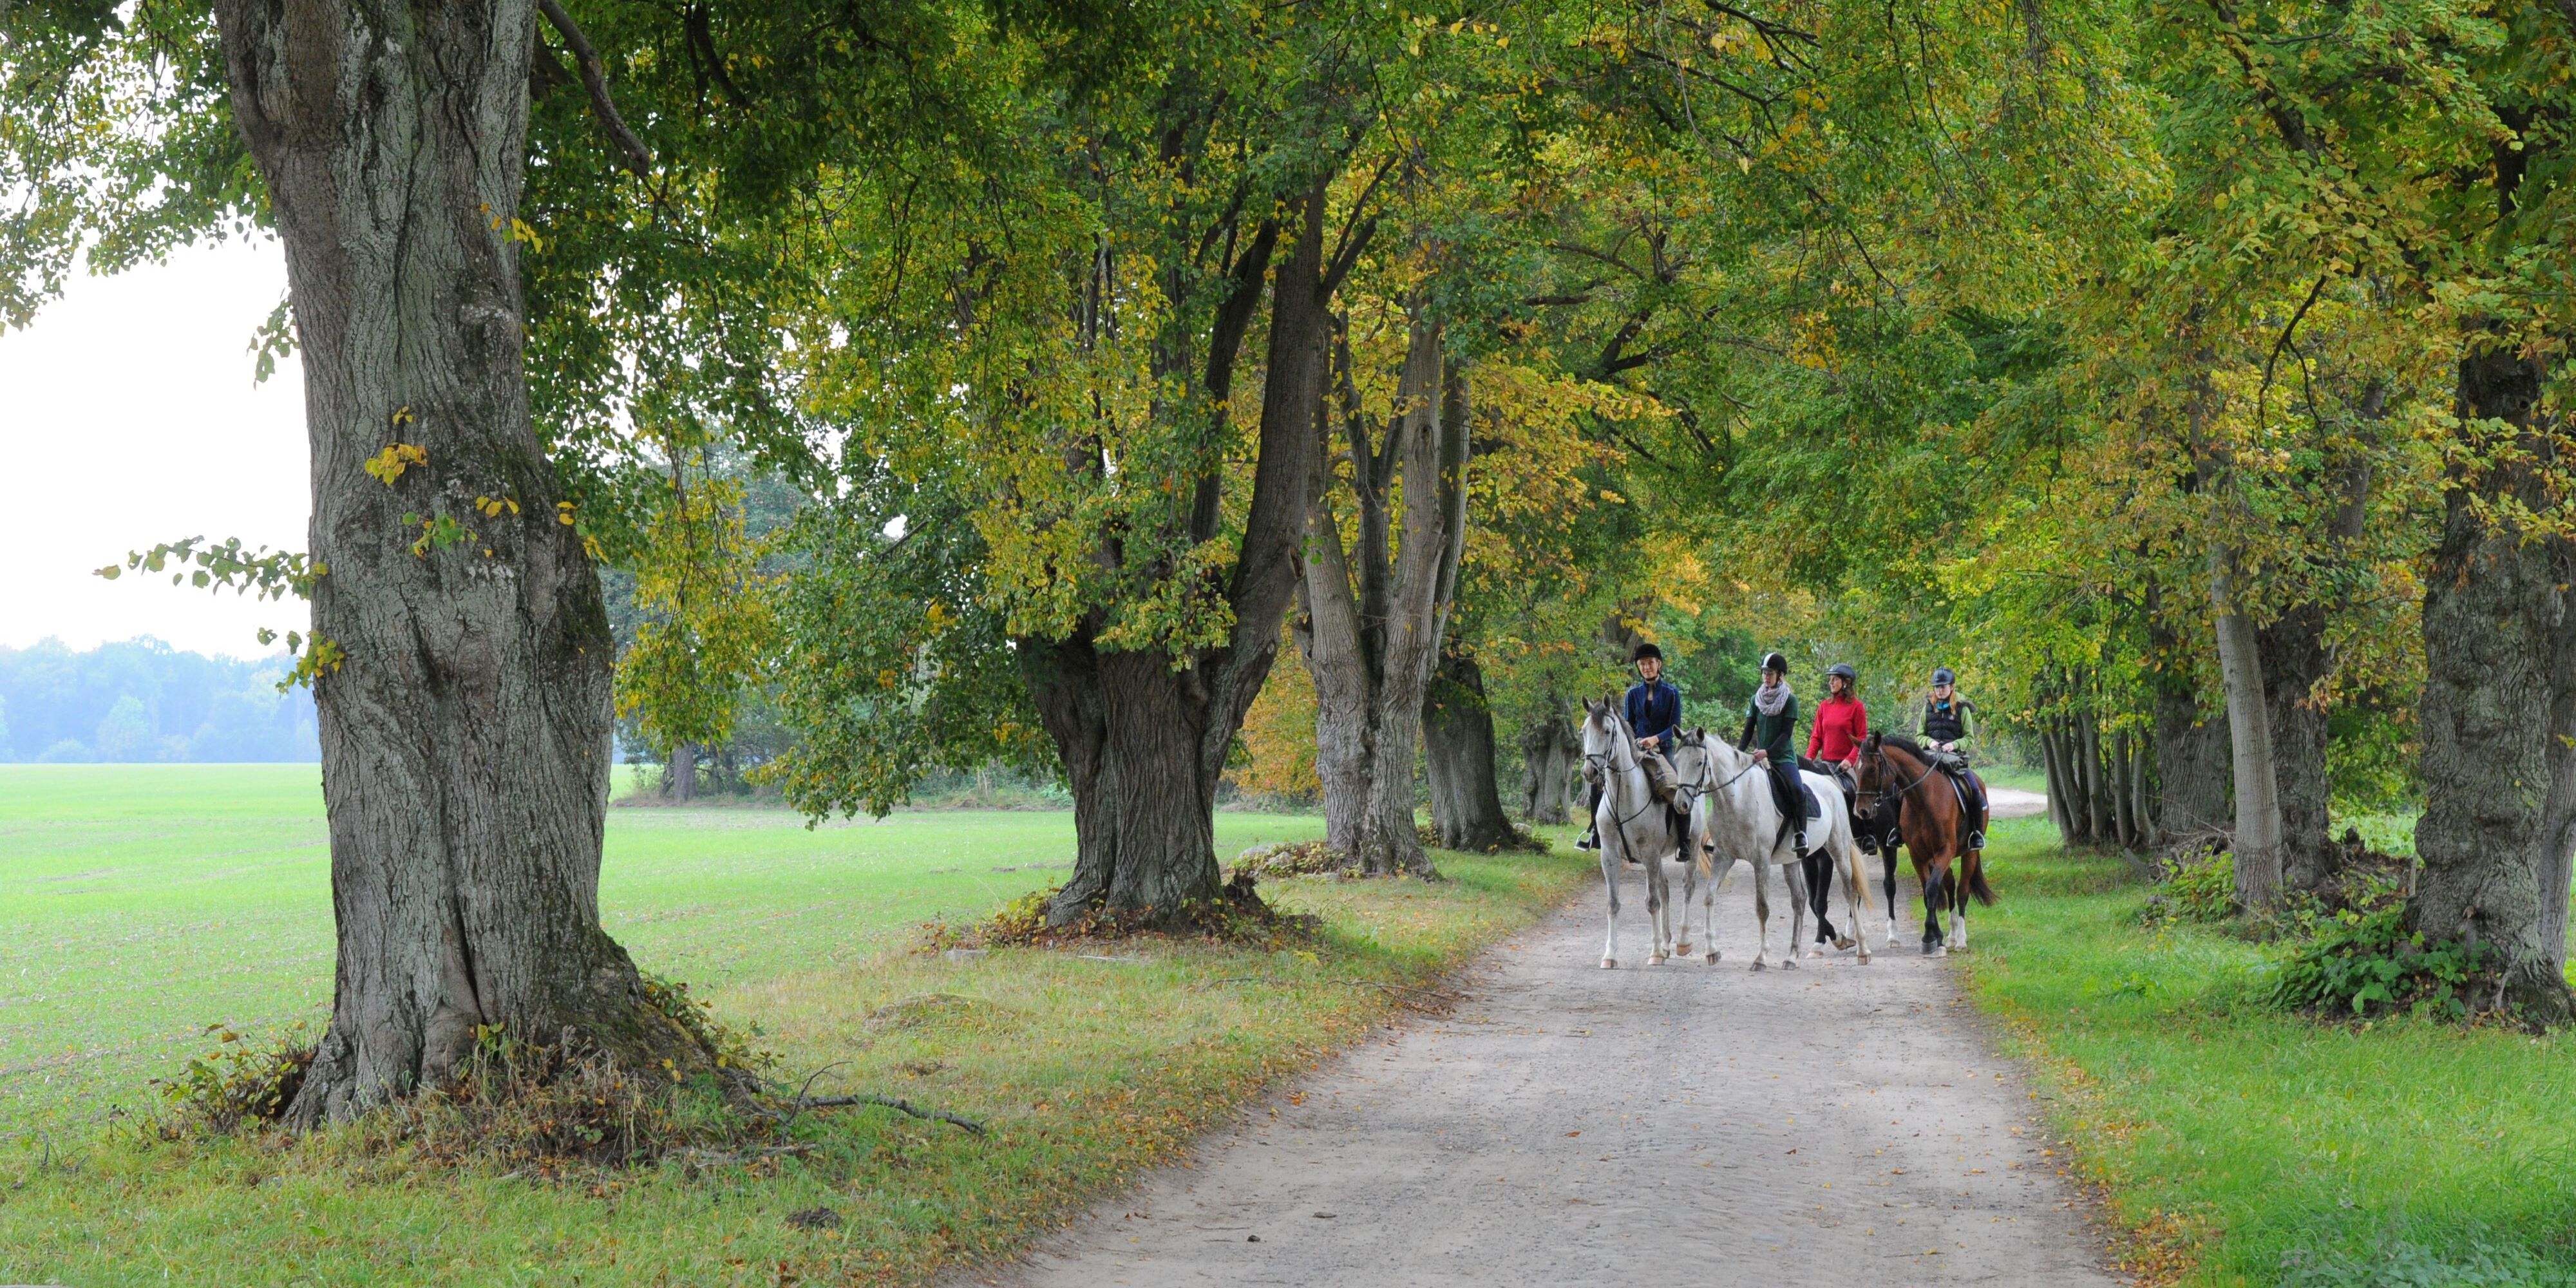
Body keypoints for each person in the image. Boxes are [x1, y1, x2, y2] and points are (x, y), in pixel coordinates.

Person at [1577, 643, 1685, 851]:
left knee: (1679, 786)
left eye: (1650, 663)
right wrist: (1636, 741)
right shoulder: (1632, 693)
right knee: (1596, 783)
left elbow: (1675, 727)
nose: (1646, 667)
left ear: (1659, 664)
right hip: (1636, 748)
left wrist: (1655, 739)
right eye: (1642, 664)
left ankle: (1683, 841)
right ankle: (1595, 833)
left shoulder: (1672, 693)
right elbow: (1627, 725)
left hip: (1664, 749)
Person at [1737, 652, 1809, 855]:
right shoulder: (1755, 700)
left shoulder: (1790, 701)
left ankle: (1801, 834)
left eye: (1770, 673)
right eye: (1764, 673)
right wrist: (1738, 754)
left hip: (1782, 757)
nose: (1766, 677)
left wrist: (1768, 752)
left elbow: (1786, 734)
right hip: (1759, 756)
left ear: (1780, 675)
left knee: (1797, 789)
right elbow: (1748, 731)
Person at [1919, 666, 1990, 849]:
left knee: (1975, 791)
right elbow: (1919, 736)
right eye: (1936, 687)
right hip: (1930, 758)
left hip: (1955, 760)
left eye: (1943, 686)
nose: (1939, 690)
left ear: (1952, 687)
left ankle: (1976, 834)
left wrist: (1954, 745)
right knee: (1902, 788)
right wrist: (1930, 742)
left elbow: (1969, 739)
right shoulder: (1927, 709)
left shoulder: (1962, 709)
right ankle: (1898, 831)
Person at [1806, 663, 1869, 770]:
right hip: (1826, 763)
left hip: (1847, 766)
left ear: (1846, 682)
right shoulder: (1824, 706)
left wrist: (1850, 760)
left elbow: (1861, 738)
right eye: (1830, 679)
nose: (1830, 683)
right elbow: (1816, 737)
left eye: (1834, 679)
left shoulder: (1857, 707)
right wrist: (1809, 758)